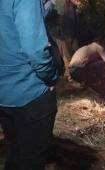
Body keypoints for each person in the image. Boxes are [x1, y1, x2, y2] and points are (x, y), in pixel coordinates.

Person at [0, 0, 59, 169]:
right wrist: (51, 76)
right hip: (30, 93)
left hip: (4, 92)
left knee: (14, 152)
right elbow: (35, 50)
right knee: (32, 161)